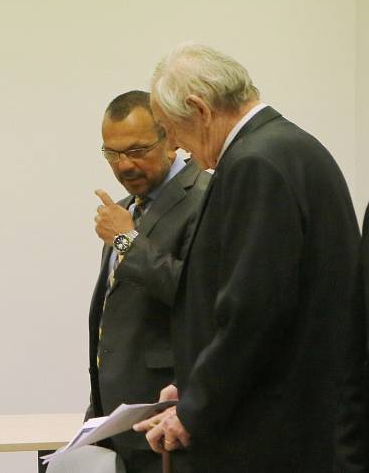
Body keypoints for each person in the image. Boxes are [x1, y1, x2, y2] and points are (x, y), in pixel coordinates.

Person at [133, 42, 365, 472]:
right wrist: (194, 385)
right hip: (303, 420)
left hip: (269, 435)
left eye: (171, 129)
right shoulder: (290, 148)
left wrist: (196, 406)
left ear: (198, 109)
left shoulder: (254, 163)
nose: (180, 148)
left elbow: (253, 312)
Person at [87, 90, 210, 473]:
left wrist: (127, 241)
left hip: (170, 423)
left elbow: (196, 295)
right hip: (117, 421)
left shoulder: (206, 197)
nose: (124, 166)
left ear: (172, 139)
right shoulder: (125, 210)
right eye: (113, 153)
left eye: (137, 151)